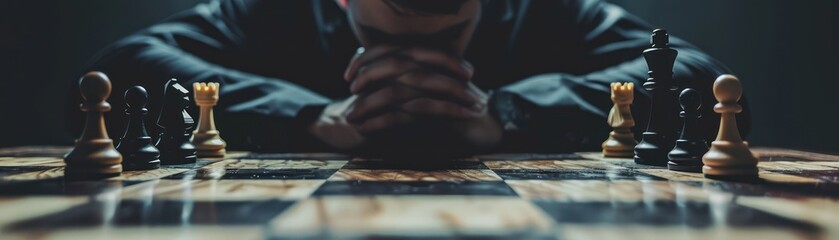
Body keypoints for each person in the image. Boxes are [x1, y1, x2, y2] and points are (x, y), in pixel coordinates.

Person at [70, 0, 749, 157]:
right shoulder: (274, 8)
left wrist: (510, 112)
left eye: (447, 40)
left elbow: (702, 76)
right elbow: (120, 67)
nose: (408, 65)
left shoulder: (544, 8)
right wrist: (307, 116)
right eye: (381, 42)